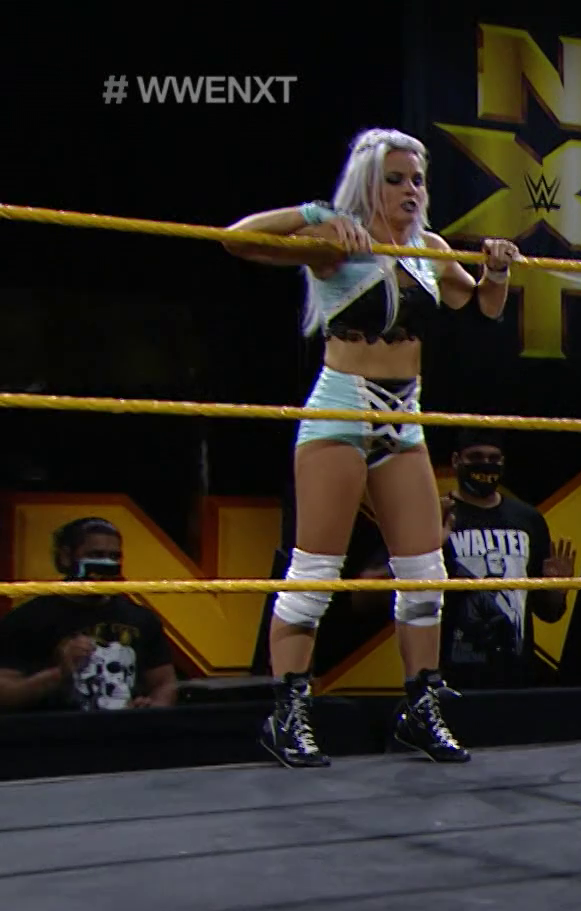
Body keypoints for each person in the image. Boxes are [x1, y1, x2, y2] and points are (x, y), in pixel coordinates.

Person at [222, 127, 522, 769]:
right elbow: (237, 239)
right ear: (368, 184)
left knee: (425, 573)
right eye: (395, 179)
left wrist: (496, 270)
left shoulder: (430, 249)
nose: (411, 190)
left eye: (418, 179)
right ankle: (287, 711)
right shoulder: (338, 241)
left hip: (404, 417)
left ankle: (420, 707)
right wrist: (314, 214)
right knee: (315, 573)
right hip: (342, 408)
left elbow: (483, 308)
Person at [358, 428, 575, 689]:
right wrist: (424, 549)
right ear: (456, 460)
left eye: (493, 458)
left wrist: (557, 590)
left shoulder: (528, 520)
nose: (485, 464)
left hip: (517, 681)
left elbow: (548, 612)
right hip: (450, 679)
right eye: (476, 457)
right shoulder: (434, 515)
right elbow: (364, 596)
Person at [0, 517, 178, 713]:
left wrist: (153, 708)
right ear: (66, 557)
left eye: (114, 556)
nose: (107, 563)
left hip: (124, 729)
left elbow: (164, 683)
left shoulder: (141, 619)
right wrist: (59, 674)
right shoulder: (28, 619)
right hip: (58, 730)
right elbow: (4, 694)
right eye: (96, 554)